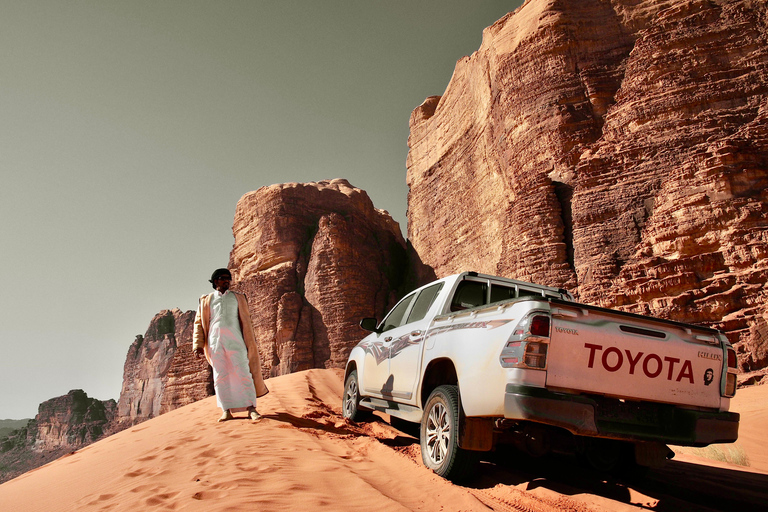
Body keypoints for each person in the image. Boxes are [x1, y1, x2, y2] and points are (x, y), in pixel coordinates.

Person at [193, 268, 269, 421]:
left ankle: (251, 408)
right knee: (220, 376)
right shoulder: (206, 300)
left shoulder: (238, 298)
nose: (227, 280)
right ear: (215, 281)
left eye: (229, 278)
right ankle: (226, 410)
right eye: (223, 278)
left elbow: (246, 321)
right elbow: (198, 324)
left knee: (243, 372)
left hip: (236, 341)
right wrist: (198, 345)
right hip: (215, 343)